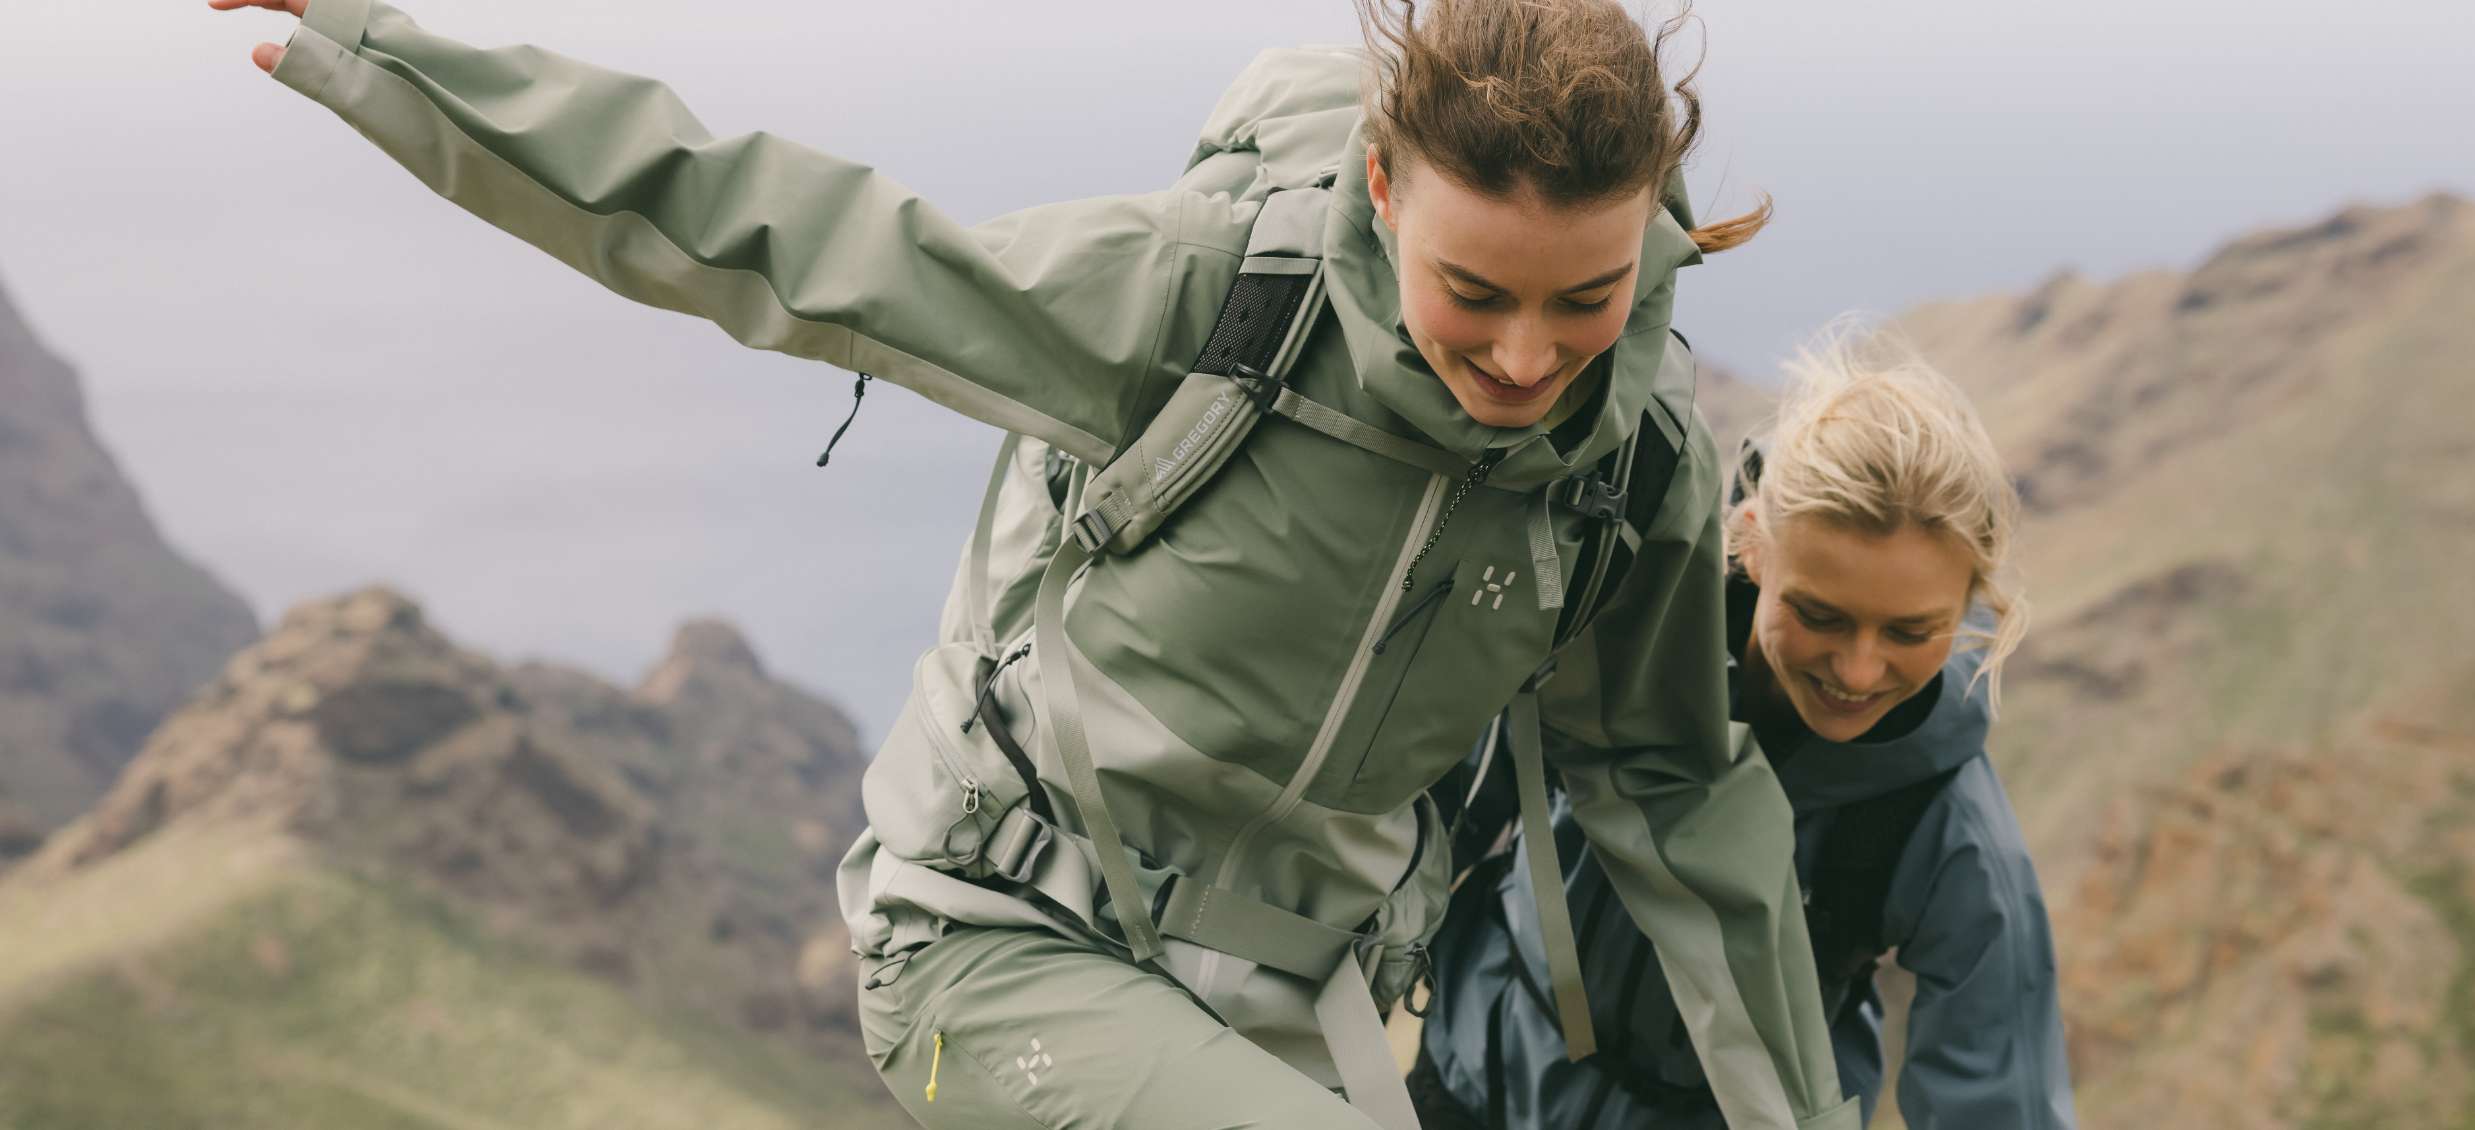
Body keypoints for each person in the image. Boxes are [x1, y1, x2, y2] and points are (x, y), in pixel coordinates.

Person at [212, 0, 1862, 1127]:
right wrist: (371, 49)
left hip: (1304, 1025)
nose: (1521, 355)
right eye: (1473, 291)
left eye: (1583, 298)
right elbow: (762, 230)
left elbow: (1680, 799)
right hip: (988, 947)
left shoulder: (1632, 462)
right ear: (1380, 187)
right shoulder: (1208, 299)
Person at [1413, 330, 2080, 1130]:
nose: (1860, 671)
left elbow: (2002, 1106)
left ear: (1972, 602)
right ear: (1755, 543)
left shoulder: (1948, 828)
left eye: (1910, 633)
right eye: (1819, 615)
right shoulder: (1620, 628)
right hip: (1468, 1079)